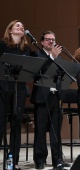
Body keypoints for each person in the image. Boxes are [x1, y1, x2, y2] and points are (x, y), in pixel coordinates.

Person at [30, 31, 70, 170]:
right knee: (40, 130)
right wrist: (52, 57)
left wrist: (56, 58)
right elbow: (37, 73)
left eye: (53, 39)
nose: (51, 42)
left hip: (56, 97)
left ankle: (57, 159)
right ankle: (40, 160)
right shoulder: (37, 55)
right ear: (41, 42)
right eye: (48, 39)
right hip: (41, 97)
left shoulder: (57, 57)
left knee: (56, 131)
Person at [0, 20, 32, 170]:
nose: (21, 27)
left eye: (22, 26)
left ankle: (13, 161)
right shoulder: (2, 46)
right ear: (10, 30)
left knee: (17, 123)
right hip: (3, 87)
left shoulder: (25, 49)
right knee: (0, 123)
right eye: (17, 25)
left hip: (19, 89)